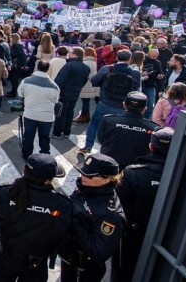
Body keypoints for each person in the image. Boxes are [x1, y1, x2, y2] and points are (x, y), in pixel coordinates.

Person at [0, 154, 72, 281]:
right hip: (36, 264)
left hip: (5, 257)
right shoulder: (61, 204)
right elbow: (60, 234)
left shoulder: (4, 192)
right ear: (48, 180)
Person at [112, 127, 173, 281]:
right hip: (170, 235)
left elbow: (117, 205)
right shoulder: (185, 173)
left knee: (124, 271)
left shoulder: (133, 173)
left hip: (134, 234)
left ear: (151, 146)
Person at [58, 153, 125, 282]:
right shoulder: (88, 188)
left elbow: (98, 252)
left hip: (83, 270)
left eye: (89, 175)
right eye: (83, 172)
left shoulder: (110, 215)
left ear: (107, 179)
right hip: (69, 259)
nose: (83, 177)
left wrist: (74, 222)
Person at [81, 50, 141, 153]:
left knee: (95, 123)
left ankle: (88, 145)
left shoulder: (107, 68)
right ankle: (111, 149)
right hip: (122, 105)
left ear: (117, 58)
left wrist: (103, 83)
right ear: (130, 59)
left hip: (105, 101)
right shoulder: (135, 73)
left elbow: (94, 81)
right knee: (117, 128)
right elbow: (136, 90)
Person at [97, 92, 157, 169]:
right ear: (145, 109)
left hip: (108, 165)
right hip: (136, 170)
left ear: (124, 105)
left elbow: (101, 139)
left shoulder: (108, 120)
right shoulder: (153, 128)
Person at [17, 60, 60, 159]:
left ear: (37, 67)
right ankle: (44, 155)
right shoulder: (54, 86)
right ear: (48, 70)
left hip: (30, 113)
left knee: (28, 135)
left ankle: (26, 154)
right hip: (47, 116)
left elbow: (20, 93)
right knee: (44, 137)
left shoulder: (26, 81)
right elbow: (56, 100)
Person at [52, 47, 90, 139]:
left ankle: (57, 132)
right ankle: (67, 132)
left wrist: (56, 90)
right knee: (70, 112)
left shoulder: (69, 65)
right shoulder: (85, 67)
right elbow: (84, 81)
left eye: (71, 52)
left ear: (75, 54)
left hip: (65, 92)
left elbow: (60, 80)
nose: (69, 53)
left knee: (61, 112)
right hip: (75, 92)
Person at [74, 47, 99, 124]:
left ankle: (83, 116)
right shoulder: (93, 62)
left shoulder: (85, 62)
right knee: (86, 101)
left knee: (85, 100)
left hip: (85, 84)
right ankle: (86, 115)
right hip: (91, 84)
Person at [141, 48, 163, 119]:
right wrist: (142, 74)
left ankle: (146, 119)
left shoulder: (157, 62)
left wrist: (160, 76)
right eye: (153, 56)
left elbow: (160, 73)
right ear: (149, 54)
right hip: (141, 84)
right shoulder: (143, 60)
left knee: (150, 104)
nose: (154, 58)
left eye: (156, 56)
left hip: (151, 85)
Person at [6, 33, 27, 97]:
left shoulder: (18, 46)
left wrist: (23, 65)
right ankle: (13, 91)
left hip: (17, 65)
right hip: (16, 65)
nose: (10, 39)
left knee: (14, 79)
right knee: (13, 79)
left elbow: (23, 56)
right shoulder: (16, 45)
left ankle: (14, 92)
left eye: (11, 38)